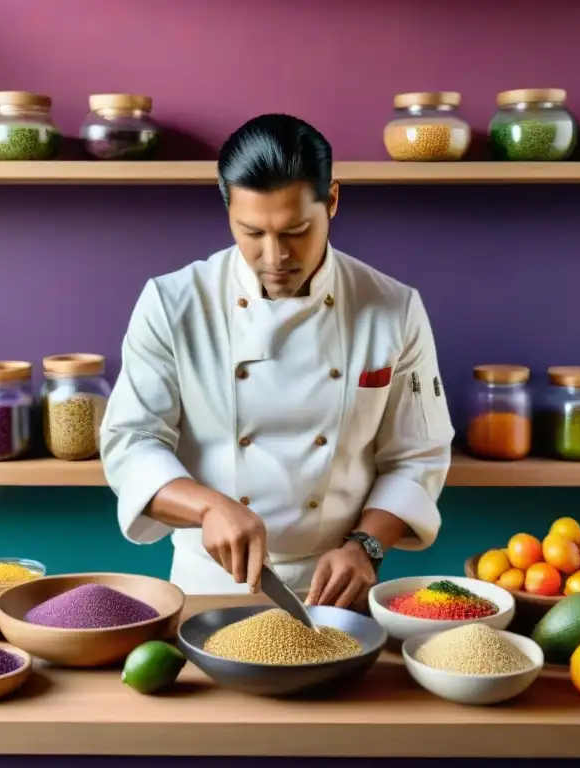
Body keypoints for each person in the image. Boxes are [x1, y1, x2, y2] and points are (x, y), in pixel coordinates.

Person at [100, 113, 454, 608]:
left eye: (295, 231)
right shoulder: (172, 303)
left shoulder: (393, 308)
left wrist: (366, 547)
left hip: (337, 589)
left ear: (331, 200)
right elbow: (131, 443)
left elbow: (418, 456)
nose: (274, 256)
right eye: (252, 232)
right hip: (208, 586)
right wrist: (207, 508)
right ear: (227, 211)